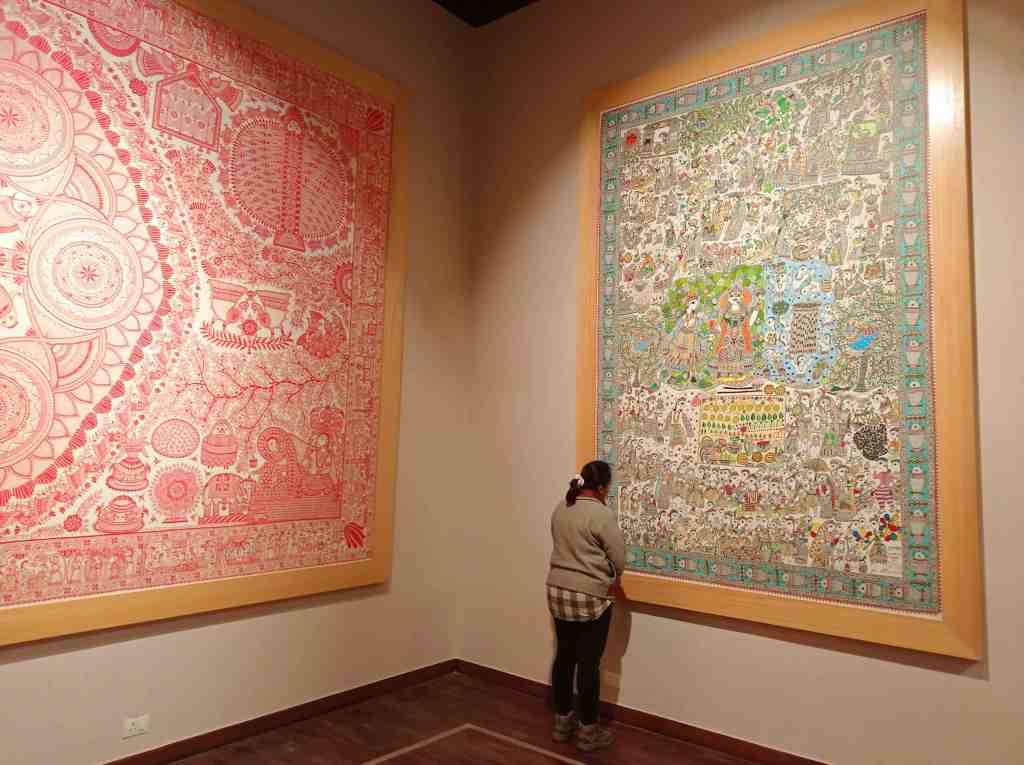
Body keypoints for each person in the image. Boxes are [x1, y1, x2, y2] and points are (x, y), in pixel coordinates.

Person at [546, 460, 626, 752]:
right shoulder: (601, 515)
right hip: (590, 596)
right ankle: (588, 731)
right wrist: (611, 575)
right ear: (603, 487)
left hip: (557, 591)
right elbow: (619, 557)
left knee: (564, 657)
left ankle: (561, 722)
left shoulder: (561, 507)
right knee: (589, 664)